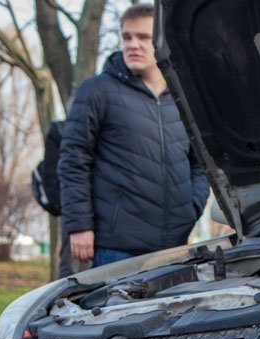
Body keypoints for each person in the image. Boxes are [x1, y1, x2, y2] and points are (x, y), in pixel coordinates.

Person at [58, 3, 209, 269]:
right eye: (127, 37)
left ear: (163, 41)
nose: (133, 45)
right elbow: (73, 161)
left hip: (174, 247)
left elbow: (201, 163)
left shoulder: (184, 97)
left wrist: (191, 208)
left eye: (143, 37)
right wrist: (79, 225)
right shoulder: (96, 91)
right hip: (116, 248)